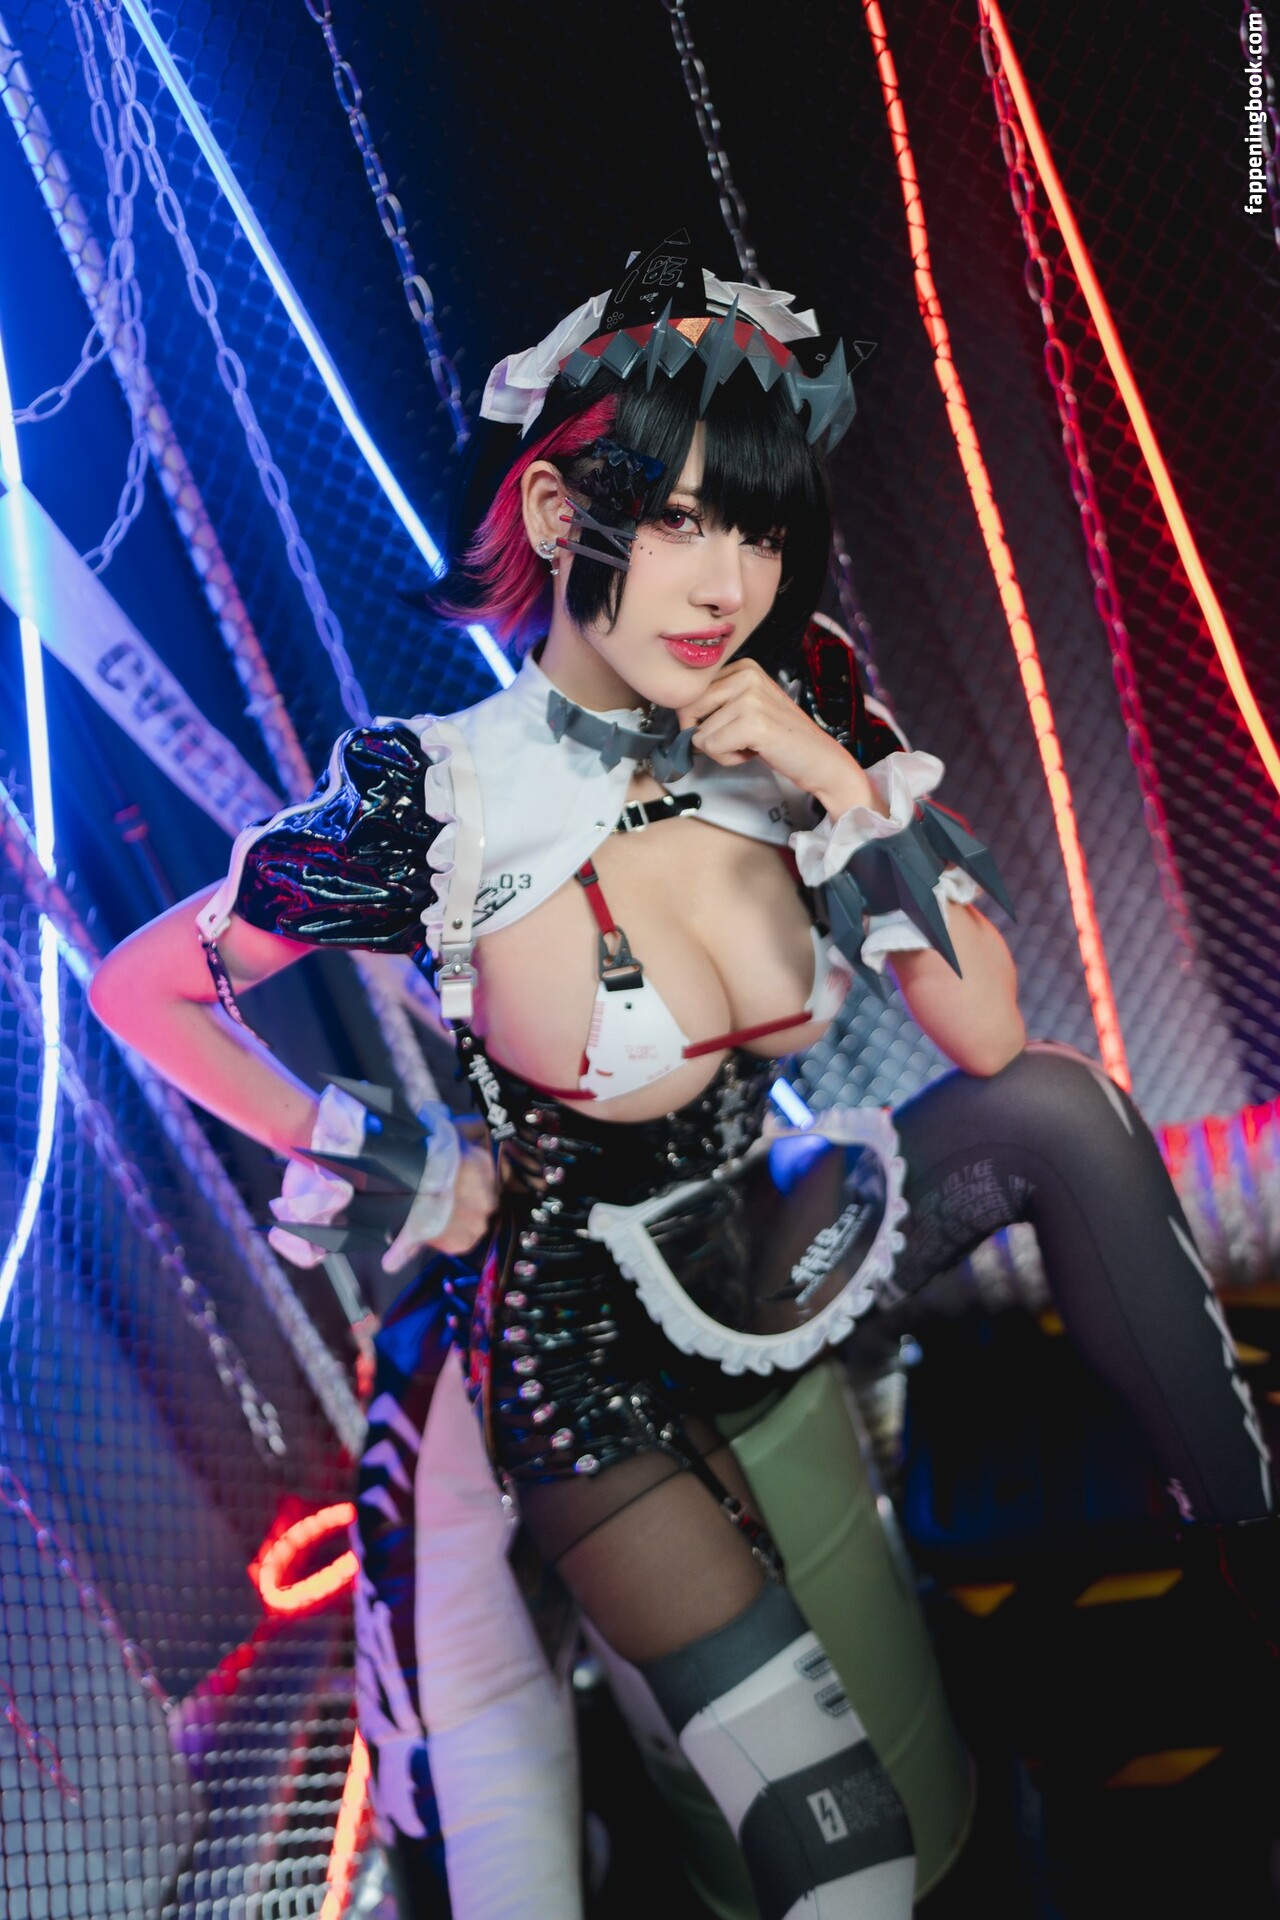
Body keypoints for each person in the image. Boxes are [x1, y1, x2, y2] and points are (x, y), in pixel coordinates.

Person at [90, 234, 1275, 1920]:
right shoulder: (446, 798)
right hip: (581, 1346)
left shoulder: (798, 704)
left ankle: (1253, 1567)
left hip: (759, 1222)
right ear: (560, 515)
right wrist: (385, 1153)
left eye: (762, 530)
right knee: (847, 1855)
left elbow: (986, 1037)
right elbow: (141, 990)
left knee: (1057, 1112)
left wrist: (829, 777)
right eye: (686, 522)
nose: (729, 582)